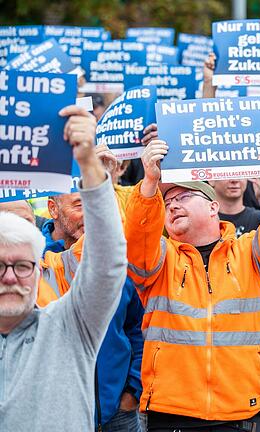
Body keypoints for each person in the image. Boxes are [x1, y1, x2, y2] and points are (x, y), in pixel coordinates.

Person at [124, 133, 260, 431]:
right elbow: (138, 240)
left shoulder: (249, 252)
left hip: (240, 410)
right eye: (167, 202)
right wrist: (149, 185)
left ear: (212, 207)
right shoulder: (160, 258)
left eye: (182, 197)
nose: (172, 206)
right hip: (172, 413)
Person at [0, 105, 127, 430]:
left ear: (38, 269)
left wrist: (88, 165)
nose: (11, 277)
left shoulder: (70, 325)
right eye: (0, 266)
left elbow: (108, 259)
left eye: (23, 266)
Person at [38, 184, 145, 431]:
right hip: (55, 416)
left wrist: (132, 391)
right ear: (53, 209)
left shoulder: (118, 258)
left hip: (118, 415)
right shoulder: (30, 263)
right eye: (79, 205)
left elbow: (137, 327)